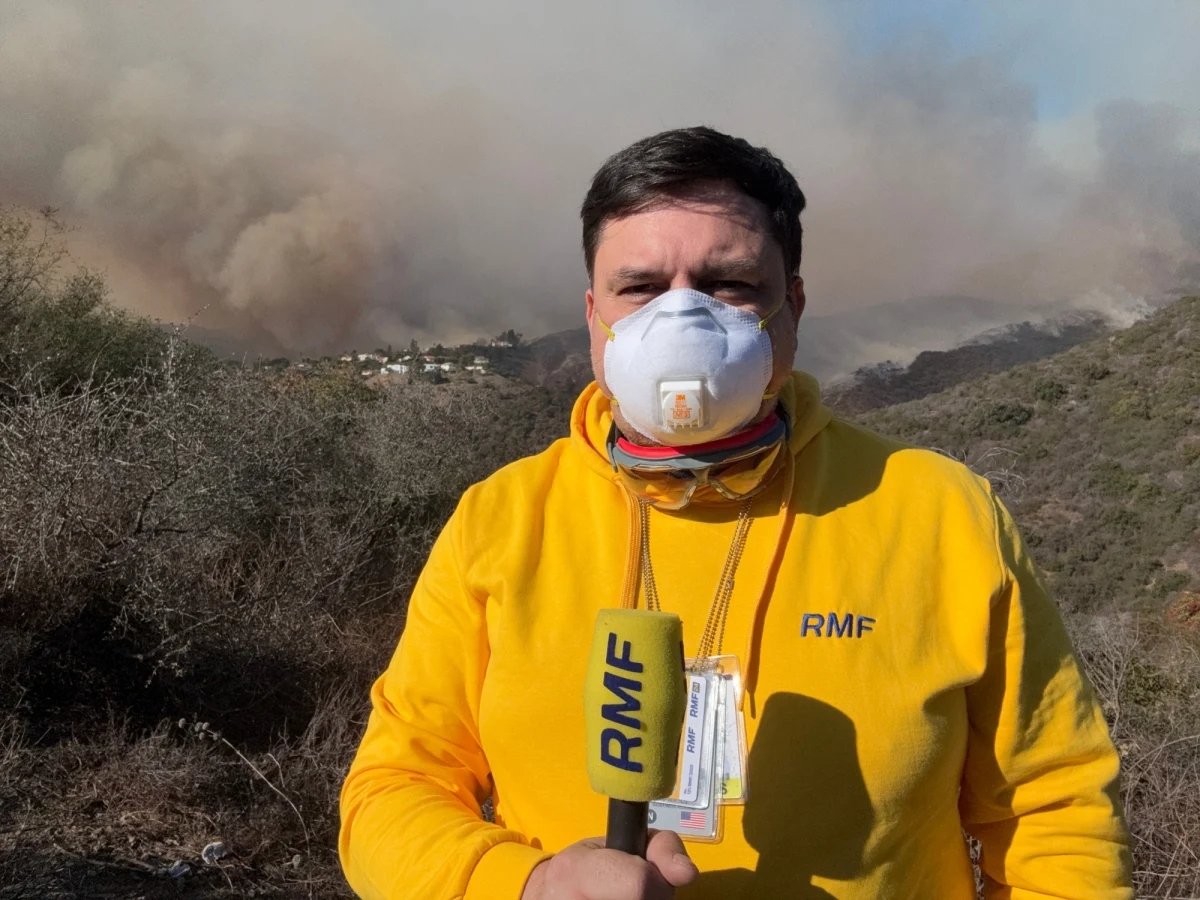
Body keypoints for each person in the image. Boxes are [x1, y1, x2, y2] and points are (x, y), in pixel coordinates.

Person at [339, 126, 1134, 899]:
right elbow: (391, 789)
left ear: (789, 305)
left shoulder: (939, 512)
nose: (682, 320)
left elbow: (1052, 808)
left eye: (731, 284)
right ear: (593, 315)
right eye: (641, 287)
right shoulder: (502, 519)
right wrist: (525, 883)